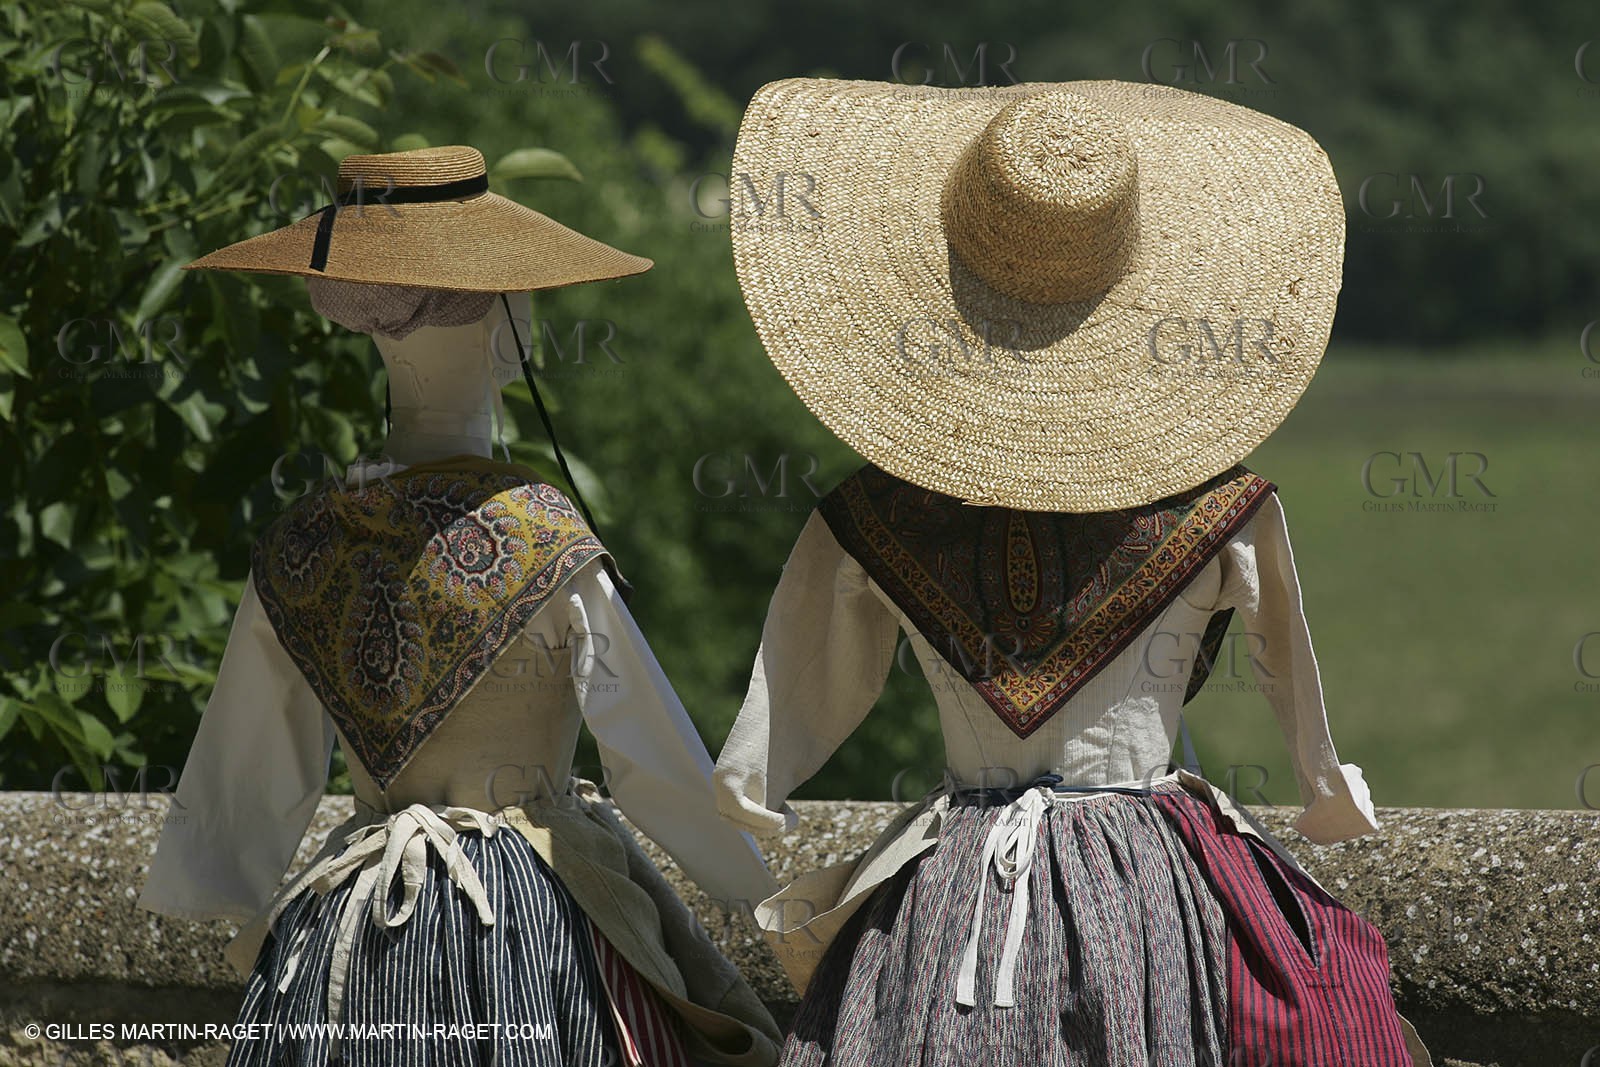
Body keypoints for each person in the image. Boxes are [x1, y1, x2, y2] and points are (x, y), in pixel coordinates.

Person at [713, 79, 1432, 1066]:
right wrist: (1322, 790)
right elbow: (1293, 681)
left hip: (948, 896)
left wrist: (751, 786)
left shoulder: (867, 519)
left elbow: (795, 690)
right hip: (1149, 888)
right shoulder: (1224, 514)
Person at [139, 145, 782, 1067]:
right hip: (534, 918)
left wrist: (219, 876)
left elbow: (249, 765)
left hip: (354, 930)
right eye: (518, 293)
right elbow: (648, 750)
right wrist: (745, 877)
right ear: (494, 316)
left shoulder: (301, 542)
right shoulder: (539, 534)